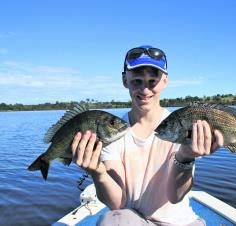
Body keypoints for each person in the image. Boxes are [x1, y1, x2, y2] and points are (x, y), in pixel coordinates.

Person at [71, 45, 224, 226]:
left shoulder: (179, 125)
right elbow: (117, 203)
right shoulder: (112, 131)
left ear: (165, 81)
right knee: (111, 220)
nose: (145, 90)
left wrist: (185, 157)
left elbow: (175, 197)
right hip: (135, 219)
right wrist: (97, 172)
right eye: (137, 81)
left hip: (181, 221)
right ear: (125, 80)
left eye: (152, 81)